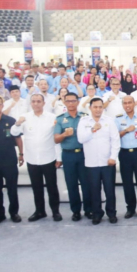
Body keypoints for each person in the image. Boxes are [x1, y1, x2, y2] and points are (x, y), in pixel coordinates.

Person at [10, 94, 62, 222]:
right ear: (30, 104)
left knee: (52, 187)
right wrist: (17, 124)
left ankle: (55, 211)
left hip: (49, 158)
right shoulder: (24, 118)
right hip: (32, 159)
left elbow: (57, 139)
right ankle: (40, 211)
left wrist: (59, 157)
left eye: (39, 101)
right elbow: (13, 133)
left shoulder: (52, 118)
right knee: (36, 187)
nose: (36, 103)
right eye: (33, 101)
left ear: (44, 103)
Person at [77, 98, 121, 225]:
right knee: (94, 190)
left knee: (110, 190)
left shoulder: (109, 121)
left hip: (107, 162)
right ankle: (97, 214)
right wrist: (92, 129)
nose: (98, 109)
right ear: (90, 108)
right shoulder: (84, 121)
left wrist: (113, 157)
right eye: (95, 107)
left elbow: (115, 140)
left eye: (100, 107)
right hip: (91, 163)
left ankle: (111, 213)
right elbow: (81, 139)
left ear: (103, 108)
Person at [53, 92, 92, 221]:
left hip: (83, 154)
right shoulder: (60, 119)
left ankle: (88, 209)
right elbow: (56, 139)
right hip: (68, 155)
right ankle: (76, 211)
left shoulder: (85, 117)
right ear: (64, 102)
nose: (71, 103)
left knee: (87, 183)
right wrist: (64, 134)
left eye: (73, 101)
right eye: (68, 101)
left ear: (78, 102)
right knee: (71, 184)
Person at [115, 96, 137, 219]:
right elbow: (114, 136)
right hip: (124, 154)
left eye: (130, 102)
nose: (128, 105)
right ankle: (130, 208)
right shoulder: (118, 119)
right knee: (127, 183)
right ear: (122, 105)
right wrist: (126, 131)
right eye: (125, 103)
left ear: (134, 103)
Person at [0, 95, 23, 225]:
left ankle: (14, 213)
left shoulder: (10, 120)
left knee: (12, 188)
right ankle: (0, 214)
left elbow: (17, 138)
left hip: (9, 160)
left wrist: (21, 154)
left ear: (2, 105)